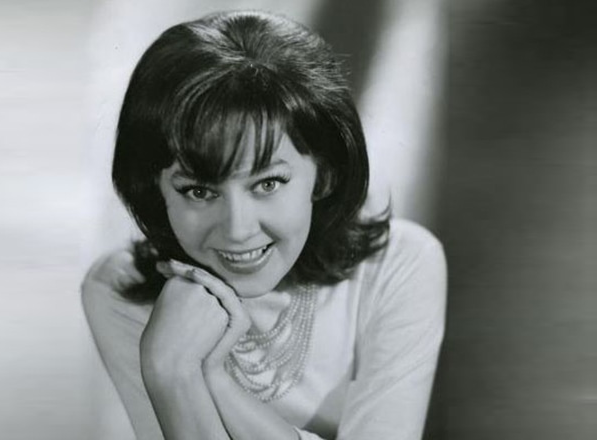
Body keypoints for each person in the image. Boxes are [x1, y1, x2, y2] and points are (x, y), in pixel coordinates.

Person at [81, 10, 446, 440]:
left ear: (324, 175)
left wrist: (204, 376)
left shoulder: (400, 264)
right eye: (199, 191)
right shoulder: (119, 288)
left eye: (268, 184)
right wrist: (169, 372)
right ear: (154, 188)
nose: (238, 229)